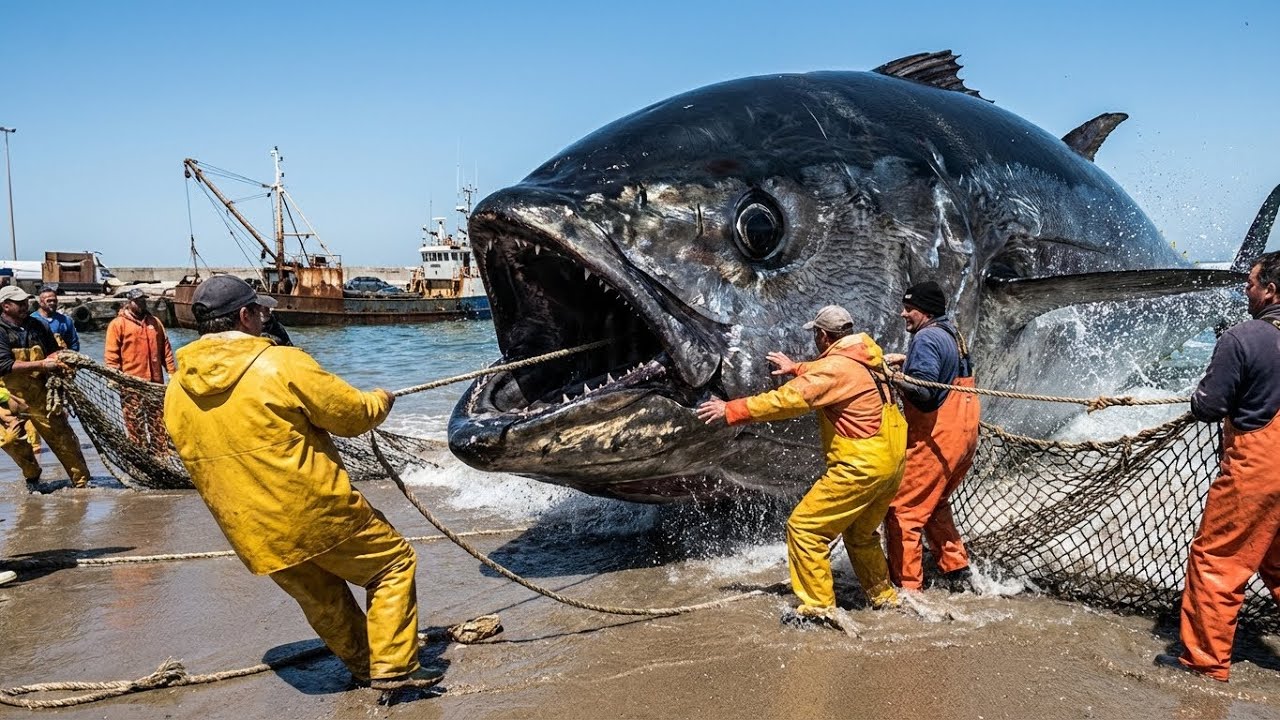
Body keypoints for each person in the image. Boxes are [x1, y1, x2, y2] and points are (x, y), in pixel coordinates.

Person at [163, 275, 437, 691]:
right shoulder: (281, 362)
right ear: (244, 315)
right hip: (316, 511)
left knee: (323, 598)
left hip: (251, 531)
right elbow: (351, 416)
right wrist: (380, 399)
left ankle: (368, 669)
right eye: (260, 310)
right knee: (392, 566)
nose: (264, 317)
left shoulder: (176, 389)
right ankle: (395, 666)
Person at [697, 305, 907, 621]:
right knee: (860, 535)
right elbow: (836, 374)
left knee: (805, 529)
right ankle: (885, 600)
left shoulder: (834, 369)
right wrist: (797, 368)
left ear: (823, 335)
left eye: (816, 334)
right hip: (891, 465)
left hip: (859, 467)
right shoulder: (870, 357)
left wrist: (731, 410)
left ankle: (819, 609)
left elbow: (788, 401)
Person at [1155, 251, 1280, 682]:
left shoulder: (1243, 337)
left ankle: (1204, 665)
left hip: (1261, 466)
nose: (1246, 289)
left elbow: (1207, 407)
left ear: (1270, 290)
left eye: (1252, 282)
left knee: (1217, 561)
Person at [882, 281, 981, 593]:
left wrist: (893, 377)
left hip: (937, 438)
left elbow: (925, 395)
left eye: (909, 308)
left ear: (924, 311)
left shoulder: (925, 338)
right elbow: (943, 374)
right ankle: (957, 572)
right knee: (934, 502)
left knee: (903, 510)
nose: (903, 314)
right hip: (964, 437)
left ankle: (908, 589)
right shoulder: (951, 333)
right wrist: (907, 362)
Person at [0, 286, 92, 490]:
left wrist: (58, 358)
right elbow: (4, 365)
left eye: (25, 302)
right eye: (19, 303)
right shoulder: (1, 331)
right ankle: (32, 476)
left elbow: (53, 351)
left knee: (63, 439)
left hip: (41, 394)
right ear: (6, 306)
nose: (25, 306)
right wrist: (41, 364)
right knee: (10, 440)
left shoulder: (38, 326)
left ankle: (82, 484)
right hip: (9, 397)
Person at [104, 289, 176, 456]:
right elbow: (111, 353)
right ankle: (140, 452)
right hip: (131, 383)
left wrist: (171, 371)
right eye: (138, 301)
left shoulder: (155, 322)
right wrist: (113, 375)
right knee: (134, 419)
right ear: (129, 302)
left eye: (143, 300)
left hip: (155, 382)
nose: (142, 303)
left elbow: (166, 349)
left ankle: (160, 452)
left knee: (157, 418)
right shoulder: (118, 324)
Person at [26, 286, 81, 455]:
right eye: (48, 300)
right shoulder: (31, 320)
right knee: (32, 410)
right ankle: (35, 447)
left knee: (59, 407)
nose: (52, 303)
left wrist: (71, 365)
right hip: (37, 372)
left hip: (59, 371)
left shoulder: (65, 321)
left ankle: (63, 443)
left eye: (54, 300)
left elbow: (74, 344)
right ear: (40, 302)